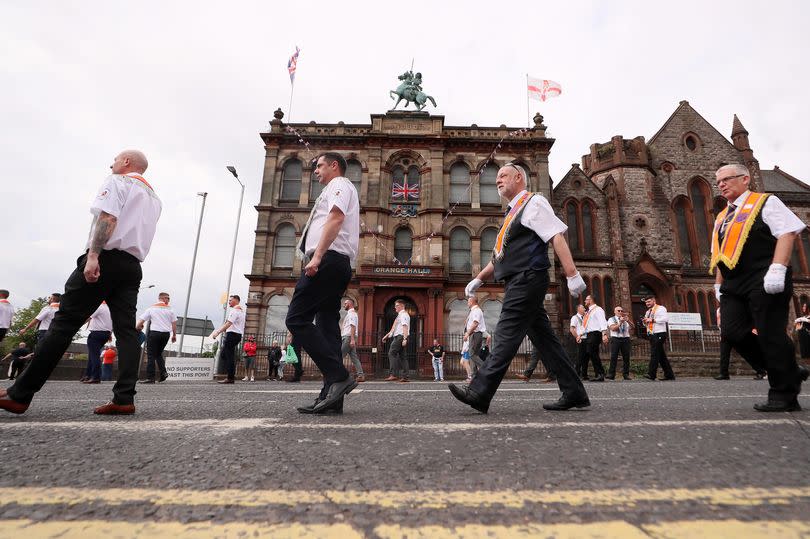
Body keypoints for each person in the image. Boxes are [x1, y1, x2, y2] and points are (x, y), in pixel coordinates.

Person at [0, 149, 161, 416]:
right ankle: (123, 398)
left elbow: (108, 219)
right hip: (133, 267)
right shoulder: (155, 199)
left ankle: (20, 393)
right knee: (126, 332)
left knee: (64, 323)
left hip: (106, 258)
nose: (111, 164)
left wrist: (94, 256)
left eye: (115, 159)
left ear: (127, 162)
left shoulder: (117, 182)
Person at [449, 162, 589, 413]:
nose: (498, 180)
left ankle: (480, 391)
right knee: (545, 340)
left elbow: (556, 235)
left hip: (527, 278)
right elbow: (499, 257)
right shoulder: (512, 214)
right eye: (497, 178)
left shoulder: (533, 203)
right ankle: (574, 391)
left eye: (503, 175)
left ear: (519, 178)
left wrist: (572, 274)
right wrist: (479, 279)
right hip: (519, 278)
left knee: (506, 333)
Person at [711, 164, 807, 411]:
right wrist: (718, 285)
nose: (721, 184)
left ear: (745, 179)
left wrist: (778, 268)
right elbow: (721, 254)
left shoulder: (765, 201)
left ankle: (782, 394)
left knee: (769, 332)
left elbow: (788, 232)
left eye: (726, 179)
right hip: (734, 283)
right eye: (718, 181)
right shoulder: (723, 216)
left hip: (764, 277)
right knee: (732, 332)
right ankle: (789, 369)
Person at [286, 152, 360, 414]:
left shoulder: (339, 185)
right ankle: (331, 398)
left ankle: (339, 377)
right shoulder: (336, 188)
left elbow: (336, 218)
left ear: (334, 166)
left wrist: (316, 257)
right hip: (336, 262)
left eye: (319, 166)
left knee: (296, 319)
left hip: (327, 259)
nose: (315, 171)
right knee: (327, 326)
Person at [136, 292, 177, 384]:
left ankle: (150, 378)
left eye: (169, 299)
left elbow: (141, 321)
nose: (168, 300)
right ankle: (163, 373)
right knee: (158, 354)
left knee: (151, 355)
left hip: (154, 334)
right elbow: (174, 324)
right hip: (165, 335)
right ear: (161, 298)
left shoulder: (151, 308)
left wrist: (136, 328)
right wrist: (174, 335)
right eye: (167, 298)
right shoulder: (171, 310)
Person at [715, 307, 766, 380]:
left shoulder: (736, 307)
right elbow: (719, 323)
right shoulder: (719, 310)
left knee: (745, 354)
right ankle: (723, 373)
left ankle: (761, 371)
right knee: (724, 354)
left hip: (735, 334)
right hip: (726, 334)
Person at [210, 295, 245, 384]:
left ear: (236, 300)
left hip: (232, 335)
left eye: (231, 300)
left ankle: (230, 377)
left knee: (226, 356)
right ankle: (231, 376)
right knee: (229, 355)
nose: (229, 302)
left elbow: (229, 323)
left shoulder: (235, 311)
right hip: (237, 335)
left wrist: (218, 332)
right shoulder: (241, 312)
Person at [642, 295, 674, 381]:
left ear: (654, 301)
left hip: (659, 333)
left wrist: (652, 320)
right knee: (661, 356)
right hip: (652, 334)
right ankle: (669, 375)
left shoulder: (661, 308)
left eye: (649, 302)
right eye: (646, 302)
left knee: (654, 353)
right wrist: (644, 322)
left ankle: (651, 374)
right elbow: (647, 323)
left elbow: (665, 319)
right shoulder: (648, 312)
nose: (647, 303)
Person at [81, 301, 112, 384]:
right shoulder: (111, 308)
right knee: (92, 354)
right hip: (106, 333)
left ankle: (95, 377)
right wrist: (110, 333)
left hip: (96, 333)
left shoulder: (99, 307)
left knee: (94, 356)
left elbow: (88, 317)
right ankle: (88, 375)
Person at [382, 300, 411, 383]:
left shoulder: (404, 315)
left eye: (397, 305)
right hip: (400, 336)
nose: (395, 307)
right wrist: (386, 336)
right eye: (395, 305)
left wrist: (405, 338)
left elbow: (405, 326)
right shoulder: (400, 316)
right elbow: (394, 328)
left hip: (400, 337)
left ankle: (393, 374)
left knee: (391, 353)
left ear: (402, 306)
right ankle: (405, 376)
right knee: (403, 357)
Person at [607, 306, 634, 380]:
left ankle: (626, 374)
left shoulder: (625, 319)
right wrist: (620, 322)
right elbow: (613, 328)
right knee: (614, 357)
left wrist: (628, 321)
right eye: (618, 311)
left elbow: (633, 327)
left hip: (625, 339)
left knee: (626, 357)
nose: (620, 312)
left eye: (621, 311)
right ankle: (611, 374)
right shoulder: (611, 319)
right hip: (615, 339)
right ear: (614, 312)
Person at [340, 299, 364, 382]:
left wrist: (352, 340)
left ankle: (339, 375)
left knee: (339, 356)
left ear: (350, 304)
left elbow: (352, 326)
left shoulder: (352, 314)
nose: (343, 305)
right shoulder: (350, 314)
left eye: (345, 303)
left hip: (348, 337)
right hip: (349, 337)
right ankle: (360, 375)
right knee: (354, 358)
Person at [464, 296, 487, 374]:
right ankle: (475, 376)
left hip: (475, 334)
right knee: (474, 355)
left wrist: (467, 333)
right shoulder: (473, 311)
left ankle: (486, 368)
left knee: (472, 354)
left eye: (468, 301)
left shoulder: (476, 310)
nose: (467, 303)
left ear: (472, 302)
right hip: (475, 334)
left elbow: (475, 323)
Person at [569, 304, 588, 379]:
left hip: (586, 338)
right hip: (580, 339)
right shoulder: (575, 317)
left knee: (586, 357)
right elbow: (572, 329)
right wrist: (577, 337)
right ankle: (576, 374)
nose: (584, 309)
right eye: (583, 308)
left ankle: (584, 374)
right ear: (578, 309)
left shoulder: (586, 317)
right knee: (580, 357)